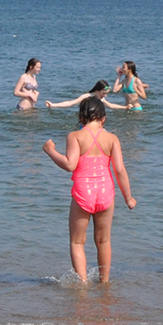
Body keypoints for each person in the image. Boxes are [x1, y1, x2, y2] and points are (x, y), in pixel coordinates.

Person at [42, 96, 136, 282]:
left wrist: (51, 151)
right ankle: (105, 282)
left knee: (77, 242)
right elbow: (119, 170)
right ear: (104, 118)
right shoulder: (112, 139)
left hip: (83, 192)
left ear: (81, 118)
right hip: (105, 193)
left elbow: (70, 164)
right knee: (104, 241)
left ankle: (82, 285)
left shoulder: (75, 136)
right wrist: (128, 198)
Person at [45, 80, 120, 109]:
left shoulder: (101, 99)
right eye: (103, 93)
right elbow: (71, 103)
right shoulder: (87, 96)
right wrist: (53, 105)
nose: (104, 95)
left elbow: (111, 105)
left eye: (106, 93)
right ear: (97, 90)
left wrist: (125, 107)